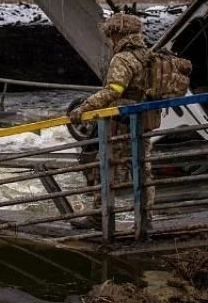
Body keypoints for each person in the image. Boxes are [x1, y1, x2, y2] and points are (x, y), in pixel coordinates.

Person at [68, 13, 161, 213]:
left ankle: (99, 215)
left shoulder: (123, 58)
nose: (110, 42)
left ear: (116, 35)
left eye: (110, 37)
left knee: (105, 168)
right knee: (142, 168)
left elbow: (114, 90)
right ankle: (146, 216)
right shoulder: (148, 55)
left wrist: (83, 108)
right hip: (145, 120)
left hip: (122, 123)